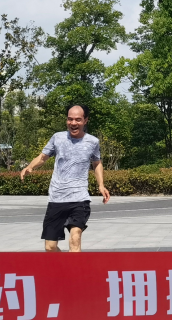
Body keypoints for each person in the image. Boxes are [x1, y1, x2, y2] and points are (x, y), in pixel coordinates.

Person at [20, 105, 111, 252]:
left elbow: (97, 163)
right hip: (56, 199)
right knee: (50, 247)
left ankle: (75, 268)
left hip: (79, 199)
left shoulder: (92, 141)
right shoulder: (58, 137)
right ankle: (64, 267)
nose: (73, 123)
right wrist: (30, 166)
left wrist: (101, 185)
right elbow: (43, 157)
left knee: (75, 238)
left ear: (85, 120)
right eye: (70, 119)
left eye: (78, 119)